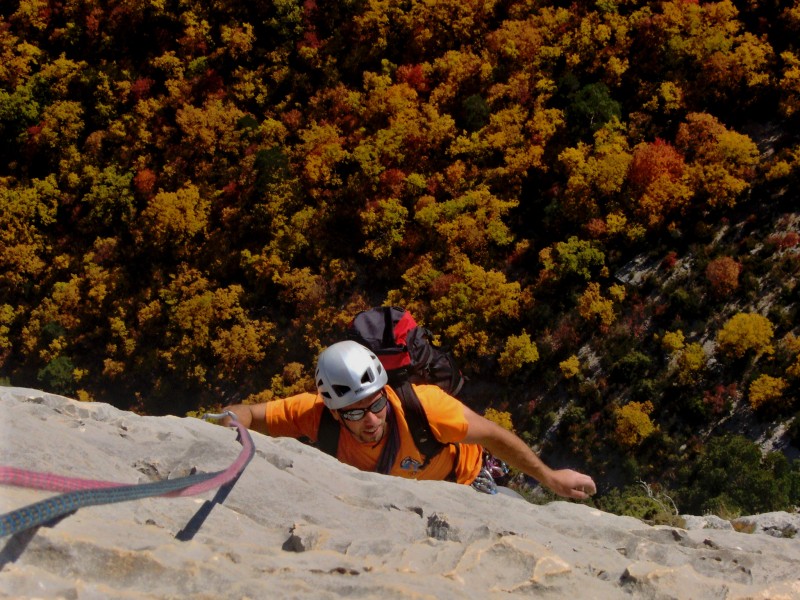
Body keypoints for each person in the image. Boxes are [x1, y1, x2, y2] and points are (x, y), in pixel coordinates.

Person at [222, 340, 596, 499]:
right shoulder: (315, 415)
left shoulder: (425, 407)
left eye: (376, 405)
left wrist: (549, 478)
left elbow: (493, 436)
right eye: (355, 412)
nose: (370, 419)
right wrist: (229, 424)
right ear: (334, 412)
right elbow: (251, 414)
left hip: (466, 486)